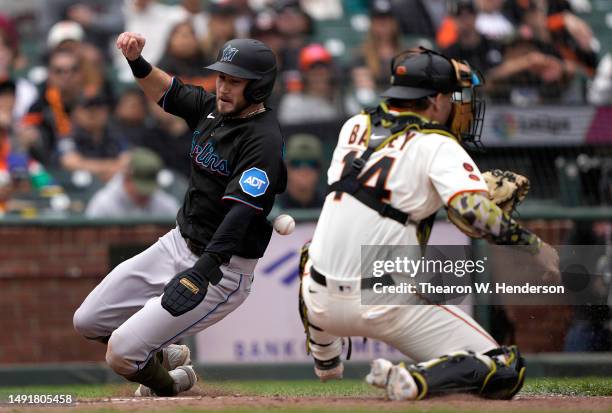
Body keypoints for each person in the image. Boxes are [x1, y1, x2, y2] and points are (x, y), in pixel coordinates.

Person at [298, 47, 561, 400]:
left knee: (310, 253)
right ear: (435, 100)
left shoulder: (354, 126)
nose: (460, 105)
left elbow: (391, 180)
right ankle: (415, 379)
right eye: (453, 97)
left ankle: (325, 357)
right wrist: (536, 247)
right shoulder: (439, 143)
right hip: (384, 300)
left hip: (319, 303)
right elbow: (470, 210)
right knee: (506, 369)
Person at [73, 33, 287, 397]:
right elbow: (168, 92)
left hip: (222, 268)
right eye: (221, 77)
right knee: (88, 320)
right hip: (176, 242)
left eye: (234, 81)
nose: (223, 87)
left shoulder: (262, 140)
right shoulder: (211, 109)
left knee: (123, 355)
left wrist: (203, 271)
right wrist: (137, 61)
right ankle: (165, 354)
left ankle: (171, 384)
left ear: (259, 87)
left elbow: (239, 215)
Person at [85, 147, 179, 218]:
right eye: (140, 190)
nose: (145, 195)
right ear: (127, 178)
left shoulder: (164, 202)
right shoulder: (104, 203)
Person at [59, 93, 130, 182]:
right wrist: (110, 167)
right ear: (75, 113)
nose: (93, 113)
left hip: (109, 185)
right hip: (75, 187)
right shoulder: (69, 133)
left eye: (98, 108)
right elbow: (70, 163)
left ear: (106, 112)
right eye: (87, 109)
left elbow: (127, 161)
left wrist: (89, 166)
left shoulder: (114, 132)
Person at [276, 134, 325, 209]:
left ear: (319, 170)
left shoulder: (329, 204)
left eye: (311, 164)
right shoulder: (271, 204)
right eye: (296, 163)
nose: (304, 170)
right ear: (286, 168)